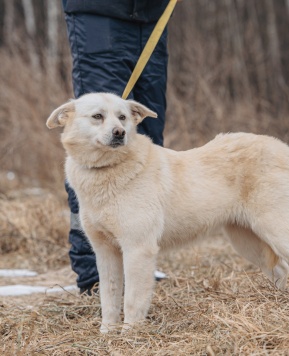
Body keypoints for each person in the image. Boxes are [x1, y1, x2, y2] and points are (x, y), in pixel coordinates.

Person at [62, 0, 171, 294]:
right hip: (100, 14)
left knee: (146, 140)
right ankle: (94, 275)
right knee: (98, 143)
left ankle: (136, 261)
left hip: (152, 16)